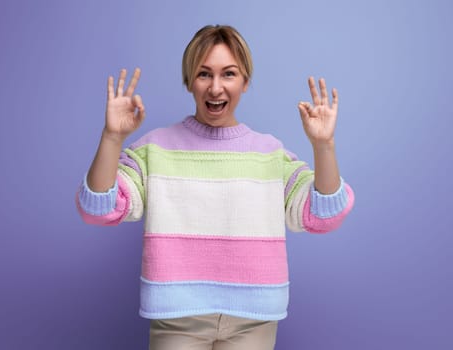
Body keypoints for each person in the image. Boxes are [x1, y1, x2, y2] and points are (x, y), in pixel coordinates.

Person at [76, 24, 354, 350]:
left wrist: (324, 146)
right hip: (177, 317)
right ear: (189, 80)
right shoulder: (155, 149)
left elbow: (324, 216)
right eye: (204, 74)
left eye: (229, 74)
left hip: (254, 320)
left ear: (246, 81)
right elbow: (98, 209)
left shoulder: (270, 154)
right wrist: (112, 138)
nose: (216, 88)